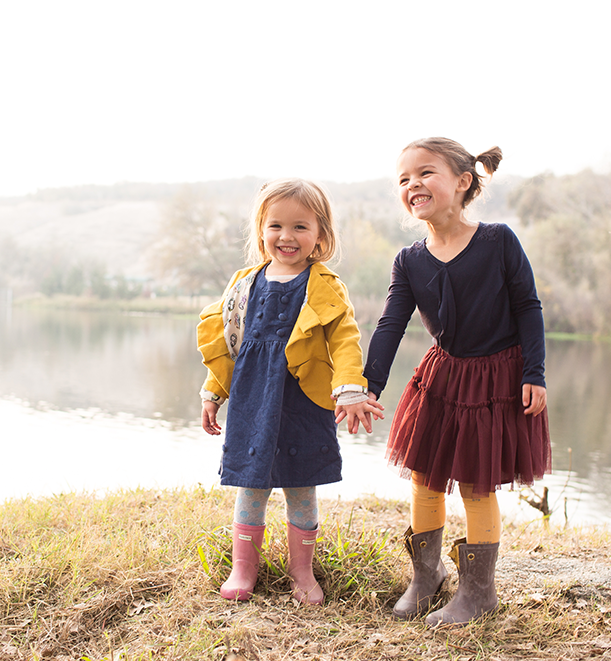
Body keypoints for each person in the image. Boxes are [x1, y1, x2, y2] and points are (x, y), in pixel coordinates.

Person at [364, 137, 550, 626]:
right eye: (403, 179)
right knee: (425, 477)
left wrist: (535, 373)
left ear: (463, 182)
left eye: (425, 173)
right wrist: (369, 386)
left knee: (475, 482)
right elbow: (390, 326)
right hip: (442, 377)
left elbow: (528, 307)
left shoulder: (497, 241)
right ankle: (427, 578)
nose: (413, 184)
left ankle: (478, 592)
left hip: (494, 379)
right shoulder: (409, 261)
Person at [197, 178, 385, 605]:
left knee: (302, 485)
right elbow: (229, 344)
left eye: (301, 227)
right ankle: (244, 567)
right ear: (261, 230)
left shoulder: (325, 284)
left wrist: (351, 390)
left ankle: (302, 571)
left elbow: (345, 341)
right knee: (252, 484)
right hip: (252, 399)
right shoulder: (245, 283)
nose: (287, 236)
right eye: (276, 225)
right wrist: (213, 393)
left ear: (321, 234)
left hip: (303, 400)